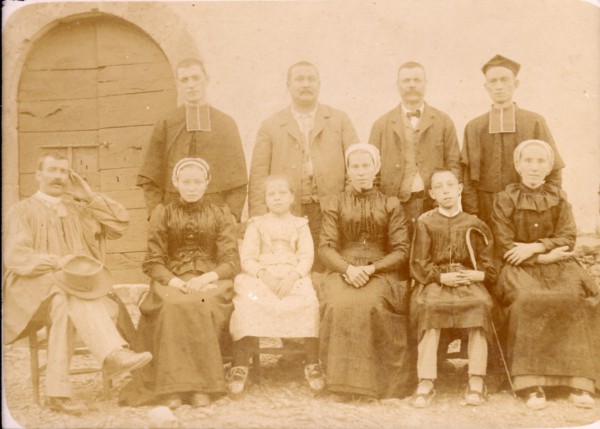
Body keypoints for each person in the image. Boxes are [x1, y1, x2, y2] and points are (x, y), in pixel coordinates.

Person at [3, 152, 152, 415]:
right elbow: (16, 257)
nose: (58, 176)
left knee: (64, 303)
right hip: (33, 290)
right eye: (52, 170)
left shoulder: (78, 210)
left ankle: (57, 394)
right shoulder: (22, 211)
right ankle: (113, 352)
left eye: (64, 172)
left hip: (70, 293)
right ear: (39, 175)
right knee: (64, 293)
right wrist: (57, 262)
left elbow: (119, 224)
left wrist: (88, 195)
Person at [120, 158, 239, 409]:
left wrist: (207, 277)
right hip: (171, 279)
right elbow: (152, 261)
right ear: (176, 183)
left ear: (207, 183)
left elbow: (230, 260)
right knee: (173, 305)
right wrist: (173, 281)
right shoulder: (163, 213)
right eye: (186, 182)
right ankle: (172, 389)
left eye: (197, 182)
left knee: (200, 303)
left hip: (211, 280)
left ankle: (201, 388)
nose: (192, 187)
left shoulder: (220, 214)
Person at [491, 140, 599, 410]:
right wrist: (539, 256)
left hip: (558, 265)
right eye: (528, 161)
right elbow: (504, 243)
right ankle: (531, 384)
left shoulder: (559, 197)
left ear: (549, 166)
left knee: (573, 299)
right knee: (529, 301)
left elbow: (568, 236)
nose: (534, 167)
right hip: (519, 268)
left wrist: (536, 247)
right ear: (518, 165)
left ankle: (579, 382)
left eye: (540, 162)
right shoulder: (504, 198)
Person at [317, 143, 413, 400]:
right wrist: (347, 268)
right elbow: (325, 248)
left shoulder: (391, 204)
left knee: (372, 303)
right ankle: (339, 385)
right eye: (355, 166)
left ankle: (377, 385)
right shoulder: (335, 203)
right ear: (348, 170)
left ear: (376, 168)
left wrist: (372, 268)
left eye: (366, 166)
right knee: (338, 303)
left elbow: (402, 250)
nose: (361, 172)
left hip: (381, 270)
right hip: (343, 268)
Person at [248, 61, 360, 269]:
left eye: (311, 79)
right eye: (299, 79)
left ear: (319, 84)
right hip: (288, 212)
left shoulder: (339, 120)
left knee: (330, 265)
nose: (305, 84)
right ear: (288, 85)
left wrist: (348, 205)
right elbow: (258, 177)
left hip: (331, 210)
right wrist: (259, 220)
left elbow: (355, 166)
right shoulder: (270, 125)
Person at [227, 175, 323, 394]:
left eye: (282, 193)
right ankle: (240, 363)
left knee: (309, 300)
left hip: (292, 276)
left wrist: (293, 276)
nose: (277, 198)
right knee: (246, 301)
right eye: (272, 194)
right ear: (265, 199)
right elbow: (248, 258)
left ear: (292, 198)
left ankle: (311, 362)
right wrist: (265, 275)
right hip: (262, 277)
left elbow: (307, 256)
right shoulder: (257, 225)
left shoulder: (300, 225)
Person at [410, 168, 496, 408]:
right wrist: (439, 277)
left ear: (460, 188)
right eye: (439, 187)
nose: (445, 190)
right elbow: (418, 263)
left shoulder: (475, 223)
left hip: (469, 280)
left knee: (480, 305)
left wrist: (476, 274)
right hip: (437, 282)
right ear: (432, 194)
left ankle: (477, 378)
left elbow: (488, 263)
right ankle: (426, 380)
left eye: (450, 185)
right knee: (429, 306)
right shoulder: (425, 223)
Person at [137, 58, 247, 221]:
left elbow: (238, 179)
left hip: (215, 214)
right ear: (178, 83)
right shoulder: (166, 123)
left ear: (206, 79)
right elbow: (150, 175)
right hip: (173, 214)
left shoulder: (225, 123)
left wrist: (230, 216)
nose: (191, 85)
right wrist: (156, 214)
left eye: (196, 78)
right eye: (184, 80)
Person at [461, 54, 565, 224]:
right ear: (486, 87)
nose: (499, 86)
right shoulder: (474, 127)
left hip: (528, 204)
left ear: (515, 84)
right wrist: (472, 212)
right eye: (493, 81)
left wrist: (547, 204)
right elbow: (467, 177)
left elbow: (553, 169)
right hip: (488, 206)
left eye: (504, 80)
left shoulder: (534, 121)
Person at [368, 61, 461, 228]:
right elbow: (372, 173)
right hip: (394, 206)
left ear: (425, 84)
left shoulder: (443, 121)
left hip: (434, 204)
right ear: (398, 85)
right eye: (406, 80)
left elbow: (454, 164)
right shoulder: (381, 125)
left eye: (417, 80)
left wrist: (447, 201)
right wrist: (380, 207)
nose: (412, 85)